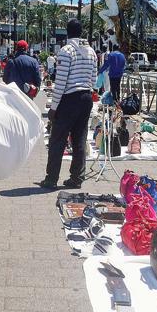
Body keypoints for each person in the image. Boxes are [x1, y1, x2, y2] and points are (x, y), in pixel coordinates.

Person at [39, 19, 97, 189]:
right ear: (81, 32)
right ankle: (77, 178)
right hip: (86, 98)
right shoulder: (91, 51)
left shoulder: (66, 51)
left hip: (69, 99)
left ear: (67, 32)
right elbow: (93, 79)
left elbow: (61, 82)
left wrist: (53, 107)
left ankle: (51, 179)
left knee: (58, 139)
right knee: (79, 139)